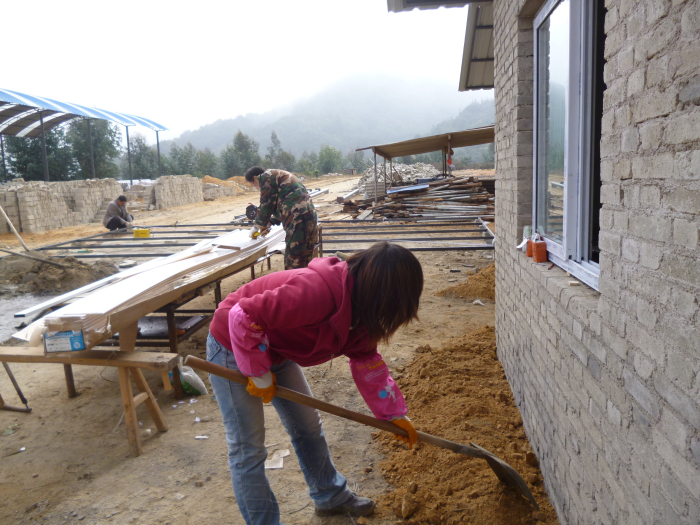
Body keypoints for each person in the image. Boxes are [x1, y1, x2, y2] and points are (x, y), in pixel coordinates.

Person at [206, 241, 423, 525]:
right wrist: (257, 372)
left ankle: (330, 496)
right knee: (248, 448)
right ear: (382, 295)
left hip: (278, 347)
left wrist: (393, 414)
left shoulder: (362, 313)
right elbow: (242, 314)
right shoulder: (316, 293)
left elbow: (367, 361)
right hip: (233, 342)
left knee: (308, 426)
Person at [244, 166, 318, 270]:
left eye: (253, 184)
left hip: (298, 219)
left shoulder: (265, 177)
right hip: (309, 216)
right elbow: (284, 205)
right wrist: (270, 222)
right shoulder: (277, 176)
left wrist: (256, 227)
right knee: (305, 258)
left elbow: (266, 205)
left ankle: (295, 280)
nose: (256, 188)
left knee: (293, 260)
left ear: (255, 178)